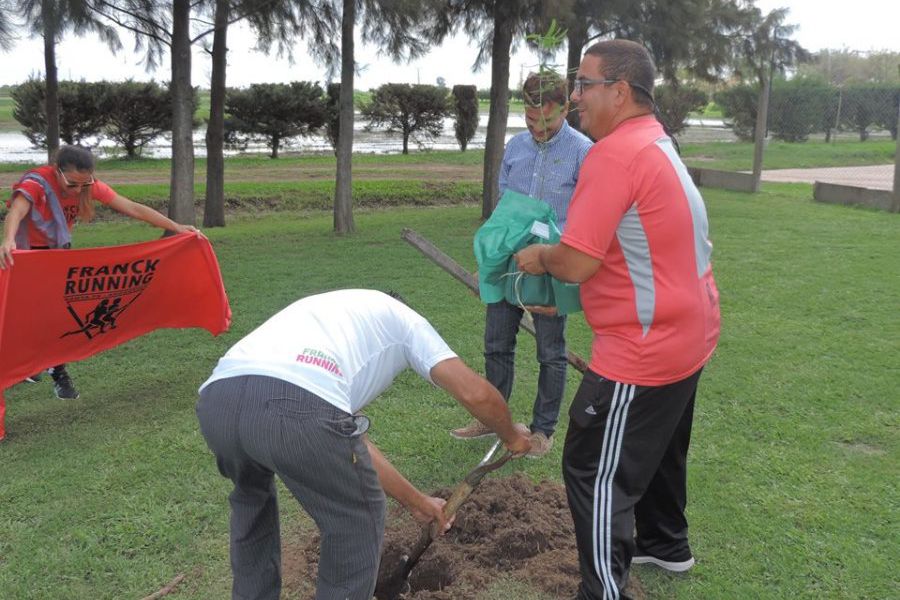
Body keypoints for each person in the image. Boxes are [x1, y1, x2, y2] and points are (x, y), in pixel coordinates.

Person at [515, 40, 721, 600]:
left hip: (646, 348)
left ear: (621, 92)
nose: (575, 96)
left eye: (584, 84)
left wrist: (540, 259)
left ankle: (603, 589)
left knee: (592, 465)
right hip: (692, 332)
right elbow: (639, 250)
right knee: (657, 444)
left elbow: (578, 260)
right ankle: (664, 542)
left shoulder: (613, 155)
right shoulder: (655, 142)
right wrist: (578, 300)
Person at [196, 289, 531, 600]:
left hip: (218, 403)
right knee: (355, 523)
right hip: (296, 402)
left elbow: (346, 440)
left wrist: (416, 502)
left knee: (251, 504)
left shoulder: (336, 319)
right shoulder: (407, 322)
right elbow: (476, 393)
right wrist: (512, 436)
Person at [451, 70, 593, 458]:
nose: (539, 129)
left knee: (550, 350)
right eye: (531, 121)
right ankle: (494, 419)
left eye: (548, 121)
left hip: (551, 266)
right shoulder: (515, 149)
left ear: (566, 108)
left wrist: (556, 263)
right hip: (508, 262)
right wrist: (490, 262)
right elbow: (502, 209)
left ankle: (542, 429)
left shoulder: (583, 152)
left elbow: (588, 221)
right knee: (496, 344)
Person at [0, 145, 198, 400]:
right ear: (57, 171)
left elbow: (132, 208)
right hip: (26, 258)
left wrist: (176, 227)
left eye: (85, 184)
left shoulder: (87, 186)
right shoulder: (37, 182)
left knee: (54, 315)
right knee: (29, 316)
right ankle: (42, 368)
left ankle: (50, 368)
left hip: (56, 259)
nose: (78, 190)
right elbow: (16, 210)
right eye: (72, 184)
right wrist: (8, 240)